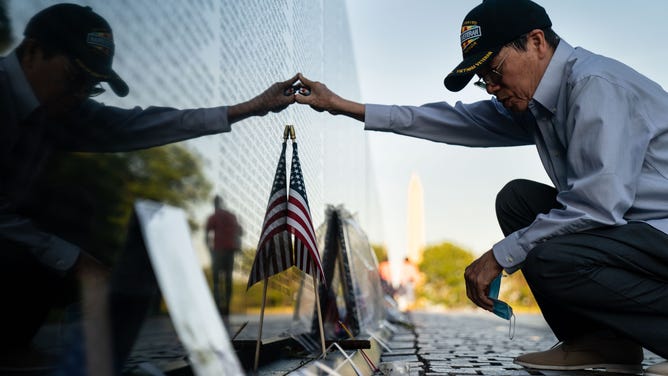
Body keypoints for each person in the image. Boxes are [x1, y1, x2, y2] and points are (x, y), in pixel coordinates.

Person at [293, 0, 668, 374]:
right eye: (482, 78)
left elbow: (598, 206)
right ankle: (601, 343)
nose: (490, 87)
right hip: (638, 233)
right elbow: (450, 121)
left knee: (548, 256)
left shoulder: (594, 86)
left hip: (655, 229)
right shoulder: (538, 103)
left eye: (494, 70)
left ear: (536, 42)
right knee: (517, 201)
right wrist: (345, 106)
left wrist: (500, 255)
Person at [0, 3, 301, 373]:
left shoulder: (60, 109)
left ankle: (31, 347)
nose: (80, 95)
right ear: (32, 51)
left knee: (78, 206)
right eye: (74, 77)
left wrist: (249, 108)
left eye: (90, 87)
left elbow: (145, 125)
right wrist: (73, 259)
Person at [205, 195, 242, 316]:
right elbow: (240, 232)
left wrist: (210, 250)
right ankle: (226, 307)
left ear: (215, 204)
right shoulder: (231, 216)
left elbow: (207, 234)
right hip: (230, 251)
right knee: (228, 279)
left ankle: (218, 307)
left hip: (219, 251)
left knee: (216, 280)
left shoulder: (214, 216)